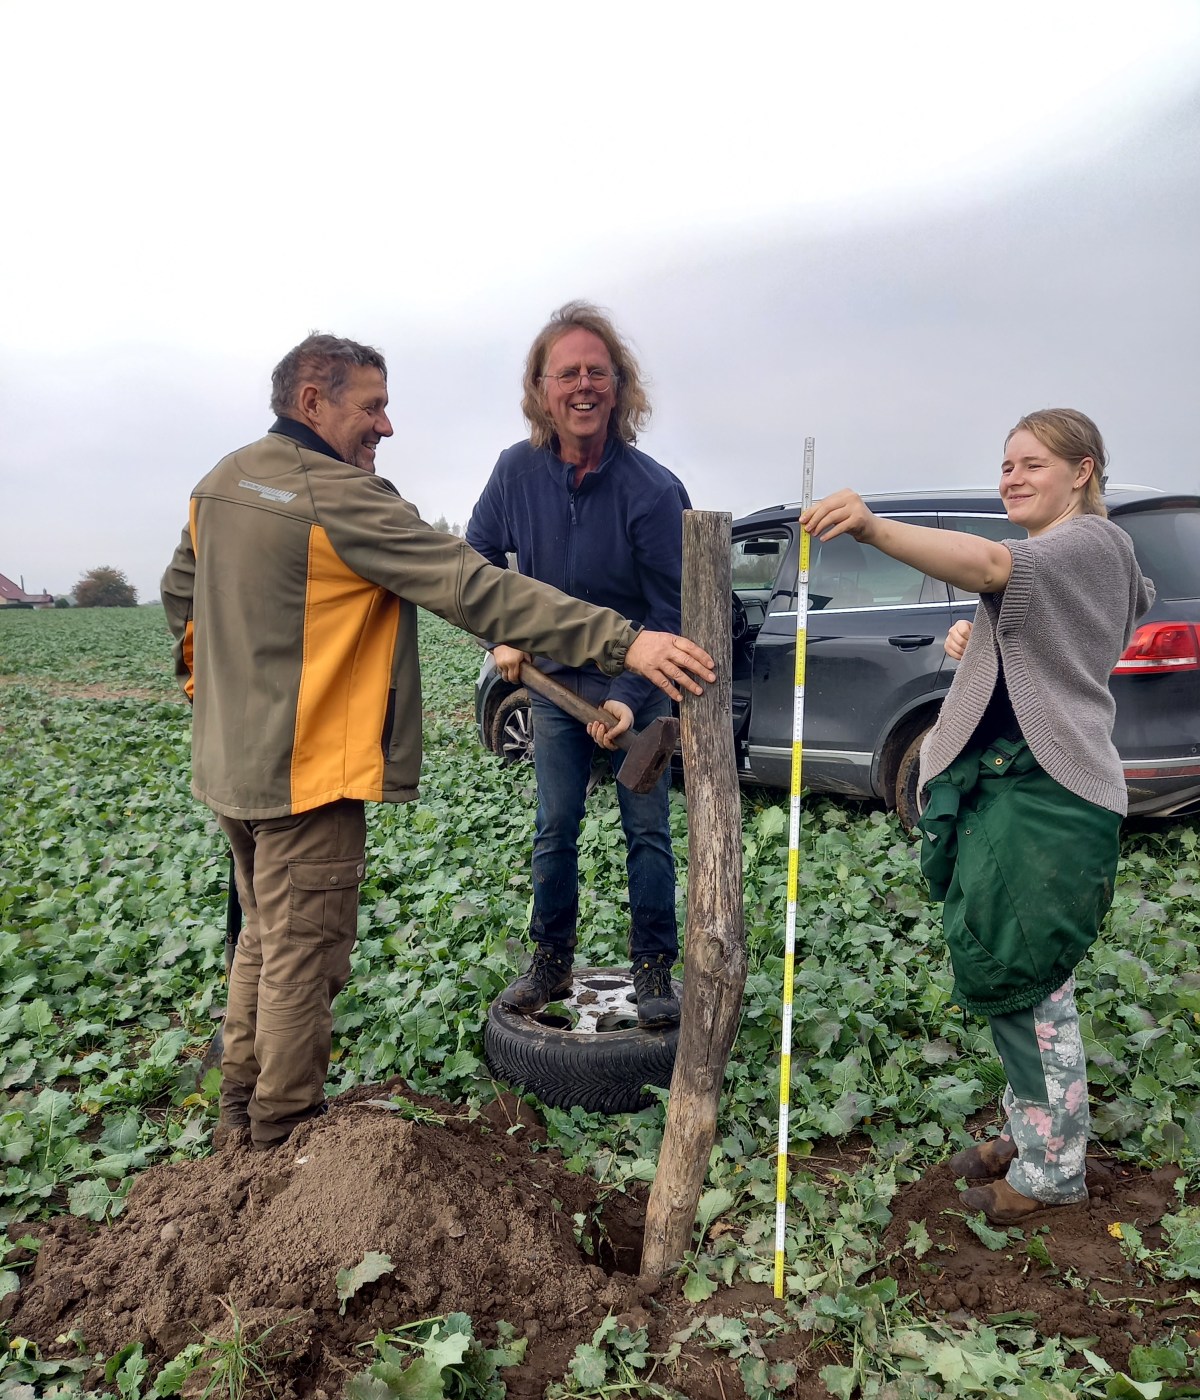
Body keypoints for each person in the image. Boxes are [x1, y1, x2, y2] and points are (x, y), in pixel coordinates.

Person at [161, 333, 714, 1152]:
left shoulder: (221, 481)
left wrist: (216, 699)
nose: (386, 426)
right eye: (372, 407)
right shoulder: (342, 499)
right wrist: (624, 643)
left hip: (229, 770)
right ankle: (280, 1137)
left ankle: (236, 1122)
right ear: (312, 402)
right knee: (304, 959)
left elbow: (181, 595)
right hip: (310, 774)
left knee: (263, 943)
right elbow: (472, 584)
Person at [801, 409, 1154, 1225]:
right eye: (1005, 465)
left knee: (1032, 983)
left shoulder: (1090, 541)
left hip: (1047, 796)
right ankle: (1028, 1131)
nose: (1012, 478)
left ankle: (1053, 1169)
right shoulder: (1067, 555)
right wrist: (985, 639)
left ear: (1083, 471)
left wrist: (874, 528)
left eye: (1033, 463)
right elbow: (1048, 640)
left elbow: (994, 564)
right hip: (1014, 788)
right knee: (1012, 971)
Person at [466, 302, 690, 1028]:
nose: (583, 385)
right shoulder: (515, 472)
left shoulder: (652, 490)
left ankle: (653, 968)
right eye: (567, 373)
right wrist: (502, 633)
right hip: (554, 684)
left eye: (597, 371)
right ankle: (550, 963)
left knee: (647, 830)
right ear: (542, 389)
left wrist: (626, 695)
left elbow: (671, 611)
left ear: (619, 387)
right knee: (554, 825)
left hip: (639, 690)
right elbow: (474, 561)